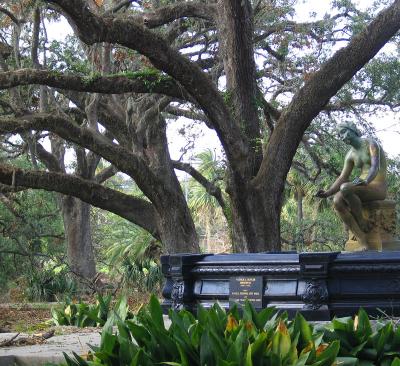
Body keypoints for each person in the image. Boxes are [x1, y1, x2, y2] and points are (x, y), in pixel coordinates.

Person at [316, 122, 387, 249]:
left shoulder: (371, 144)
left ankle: (361, 221)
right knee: (337, 200)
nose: (342, 137)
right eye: (339, 135)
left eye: (343, 132)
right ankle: (363, 240)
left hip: (377, 185)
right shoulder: (350, 154)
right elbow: (343, 177)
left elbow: (375, 167)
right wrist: (327, 192)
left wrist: (366, 181)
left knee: (345, 188)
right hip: (362, 186)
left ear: (353, 130)